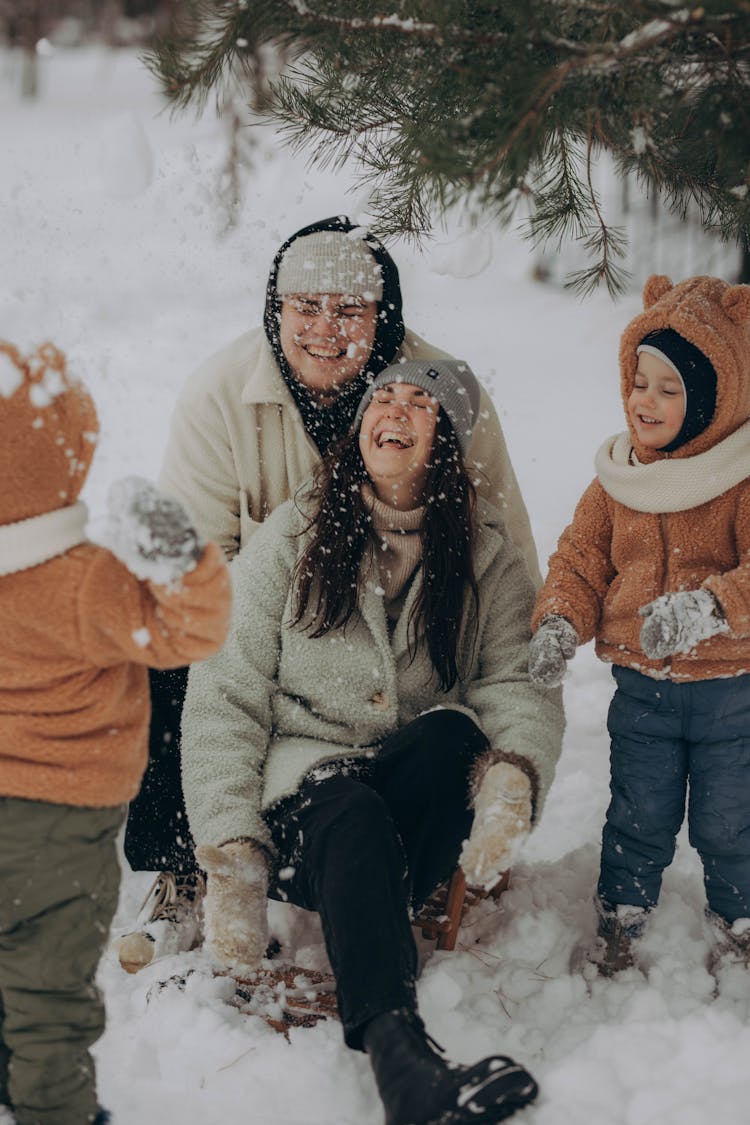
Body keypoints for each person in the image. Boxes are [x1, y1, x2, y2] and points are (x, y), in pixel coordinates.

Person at [117, 214, 544, 972]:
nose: (324, 328)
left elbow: (502, 543)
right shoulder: (218, 395)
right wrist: (285, 605)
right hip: (273, 634)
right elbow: (188, 563)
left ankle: (417, 835)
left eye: (350, 310)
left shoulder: (442, 393)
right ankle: (192, 859)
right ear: (273, 310)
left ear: (387, 320)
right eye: (303, 307)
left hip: (401, 652)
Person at [181, 358, 564, 1125]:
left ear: (448, 440)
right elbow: (225, 697)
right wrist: (232, 852)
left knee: (455, 731)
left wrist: (512, 777)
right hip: (307, 818)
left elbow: (517, 682)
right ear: (361, 426)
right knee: (349, 806)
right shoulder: (293, 534)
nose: (396, 408)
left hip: (407, 806)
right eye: (383, 396)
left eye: (422, 402)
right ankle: (401, 1059)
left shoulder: (484, 551)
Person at [0, 340, 231, 1125]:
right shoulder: (82, 578)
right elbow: (191, 633)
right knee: (47, 990)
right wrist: (183, 561)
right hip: (63, 819)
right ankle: (54, 1111)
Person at [528, 274, 750, 979]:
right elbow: (583, 558)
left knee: (729, 816)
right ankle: (623, 909)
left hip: (731, 692)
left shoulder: (740, 477)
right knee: (639, 806)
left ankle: (739, 912)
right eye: (638, 381)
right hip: (642, 688)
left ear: (713, 400)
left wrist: (708, 608)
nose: (644, 401)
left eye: (668, 389)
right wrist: (561, 616)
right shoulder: (618, 479)